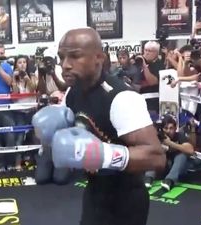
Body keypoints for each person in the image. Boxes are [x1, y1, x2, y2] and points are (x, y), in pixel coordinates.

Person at [32, 27, 166, 225]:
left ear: (99, 58)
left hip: (126, 200)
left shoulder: (121, 98)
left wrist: (103, 155)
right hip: (95, 191)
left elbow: (156, 157)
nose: (65, 65)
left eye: (75, 56)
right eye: (61, 57)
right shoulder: (73, 92)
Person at [144, 115, 194, 191]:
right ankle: (148, 179)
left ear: (175, 128)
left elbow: (190, 150)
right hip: (163, 167)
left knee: (181, 155)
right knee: (154, 154)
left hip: (178, 168)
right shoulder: (158, 137)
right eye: (166, 128)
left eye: (171, 128)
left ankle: (169, 181)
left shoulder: (179, 136)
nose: (168, 131)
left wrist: (170, 143)